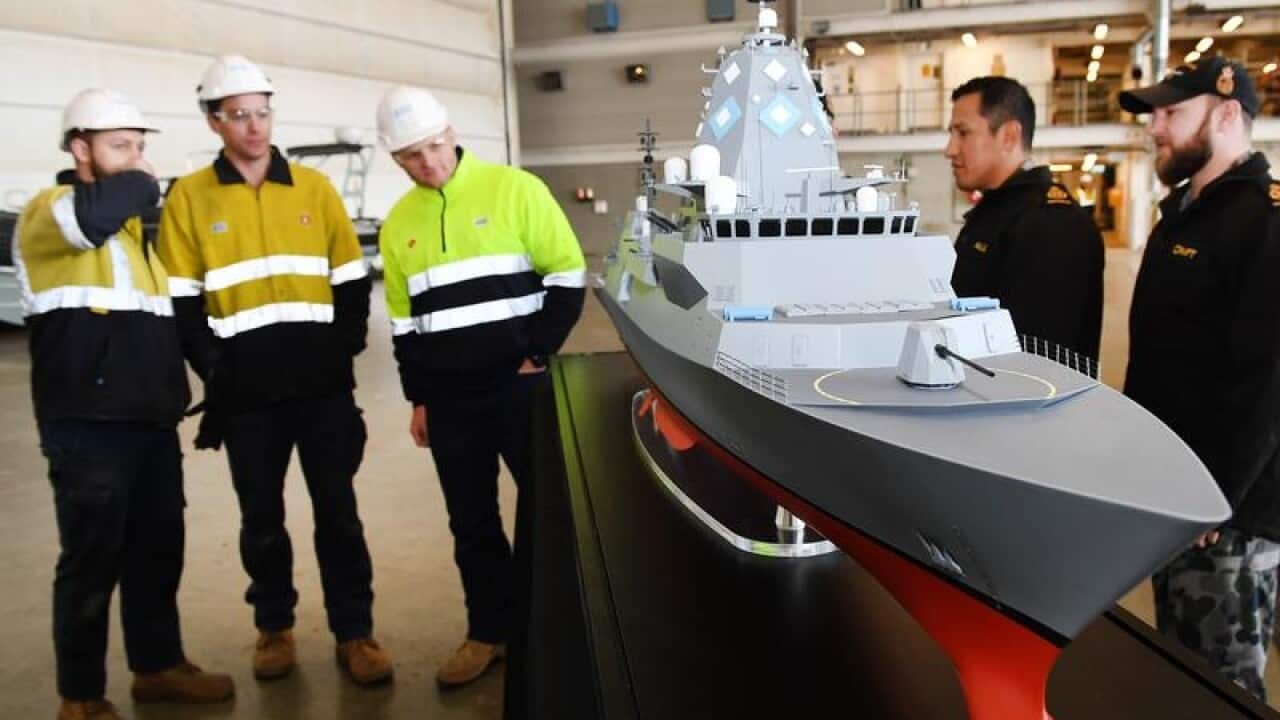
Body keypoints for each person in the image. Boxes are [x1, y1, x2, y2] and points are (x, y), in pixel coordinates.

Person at [156, 56, 391, 685]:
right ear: (214, 123)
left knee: (338, 512)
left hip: (321, 390)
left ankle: (356, 632)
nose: (254, 127)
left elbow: (350, 281)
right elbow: (181, 302)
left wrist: (338, 353)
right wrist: (217, 369)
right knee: (261, 520)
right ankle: (274, 628)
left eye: (262, 113)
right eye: (239, 116)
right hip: (247, 397)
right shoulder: (189, 197)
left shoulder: (314, 189)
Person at [15, 89, 233, 720]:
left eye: (141, 146)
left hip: (146, 421)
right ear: (78, 149)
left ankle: (157, 666)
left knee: (156, 548)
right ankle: (80, 696)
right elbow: (95, 215)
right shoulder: (49, 212)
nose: (139, 161)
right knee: (90, 558)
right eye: (121, 146)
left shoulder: (136, 238)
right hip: (86, 427)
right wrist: (141, 183)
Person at [374, 85, 586, 687]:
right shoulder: (399, 226)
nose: (430, 163)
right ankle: (488, 631)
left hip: (520, 388)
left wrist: (536, 351)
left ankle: (560, 628)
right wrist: (419, 398)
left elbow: (568, 276)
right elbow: (404, 326)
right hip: (449, 401)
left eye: (436, 146)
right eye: (413, 155)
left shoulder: (516, 190)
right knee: (471, 521)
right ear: (396, 161)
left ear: (453, 132)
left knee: (548, 513)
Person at [1119, 56, 1280, 701]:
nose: (1155, 127)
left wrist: (1215, 493)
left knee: (1224, 688)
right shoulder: (1185, 213)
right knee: (1182, 677)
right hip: (1178, 498)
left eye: (1171, 113)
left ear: (1227, 114)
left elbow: (1267, 383)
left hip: (1230, 517)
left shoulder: (1265, 223)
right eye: (1153, 114)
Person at [945, 76, 1105, 361]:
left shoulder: (1051, 224)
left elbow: (1042, 356)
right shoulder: (997, 211)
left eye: (963, 133)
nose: (950, 149)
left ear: (1008, 136)